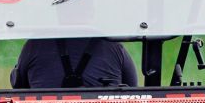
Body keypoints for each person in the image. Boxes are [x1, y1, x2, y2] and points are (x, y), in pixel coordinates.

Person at [10, 37, 138, 90]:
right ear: (91, 11)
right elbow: (132, 89)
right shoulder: (113, 46)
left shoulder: (34, 45)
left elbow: (18, 84)